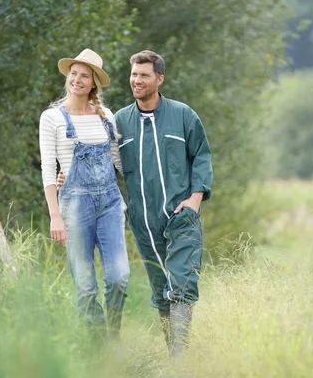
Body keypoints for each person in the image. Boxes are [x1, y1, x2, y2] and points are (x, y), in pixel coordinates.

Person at [60, 50, 213, 356]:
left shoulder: (183, 115)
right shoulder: (119, 122)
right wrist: (69, 174)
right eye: (133, 74)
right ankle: (174, 356)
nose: (137, 80)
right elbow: (102, 160)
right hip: (143, 221)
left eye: (144, 75)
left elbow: (202, 157)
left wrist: (195, 200)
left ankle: (179, 361)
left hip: (181, 215)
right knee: (161, 288)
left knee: (182, 283)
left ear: (159, 78)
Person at [39, 48, 130, 343]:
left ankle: (111, 337)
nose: (77, 79)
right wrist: (55, 215)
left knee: (119, 277)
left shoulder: (106, 117)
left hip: (110, 203)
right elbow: (47, 168)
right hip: (74, 205)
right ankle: (97, 347)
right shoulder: (51, 117)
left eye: (84, 76)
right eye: (73, 73)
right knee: (85, 285)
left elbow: (119, 163)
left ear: (94, 84)